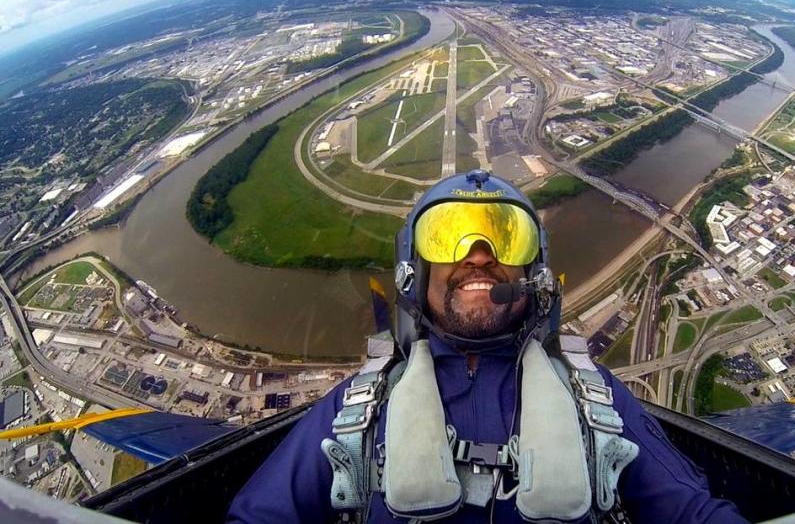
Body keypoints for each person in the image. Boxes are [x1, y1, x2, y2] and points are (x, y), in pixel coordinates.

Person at [228, 170, 747, 523]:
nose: (478, 256)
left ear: (534, 271)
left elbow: (690, 512)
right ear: (414, 270)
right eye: (447, 236)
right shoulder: (358, 408)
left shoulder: (595, 400)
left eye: (506, 237)